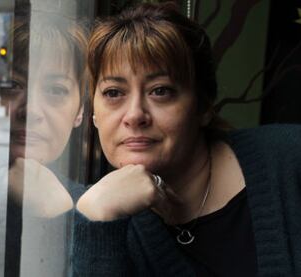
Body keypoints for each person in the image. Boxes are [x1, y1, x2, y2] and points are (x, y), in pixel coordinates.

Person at [72, 2, 301, 277]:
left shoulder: (290, 159)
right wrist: (98, 218)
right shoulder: (108, 217)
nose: (134, 115)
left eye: (160, 91)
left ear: (203, 106)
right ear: (94, 114)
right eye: (113, 93)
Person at [5, 13, 88, 277]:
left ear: (80, 111)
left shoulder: (95, 212)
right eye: (14, 85)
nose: (30, 110)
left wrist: (58, 215)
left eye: (55, 90)